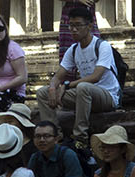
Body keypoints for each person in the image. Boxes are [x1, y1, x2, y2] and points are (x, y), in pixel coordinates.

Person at [34, 12, 121, 148]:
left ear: (89, 26)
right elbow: (58, 76)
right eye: (71, 26)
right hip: (85, 94)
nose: (74, 30)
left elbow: (95, 77)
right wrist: (52, 88)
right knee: (42, 93)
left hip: (107, 96)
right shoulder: (73, 50)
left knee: (83, 87)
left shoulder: (102, 46)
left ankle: (80, 137)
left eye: (78, 25)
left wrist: (67, 85)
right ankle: (55, 134)